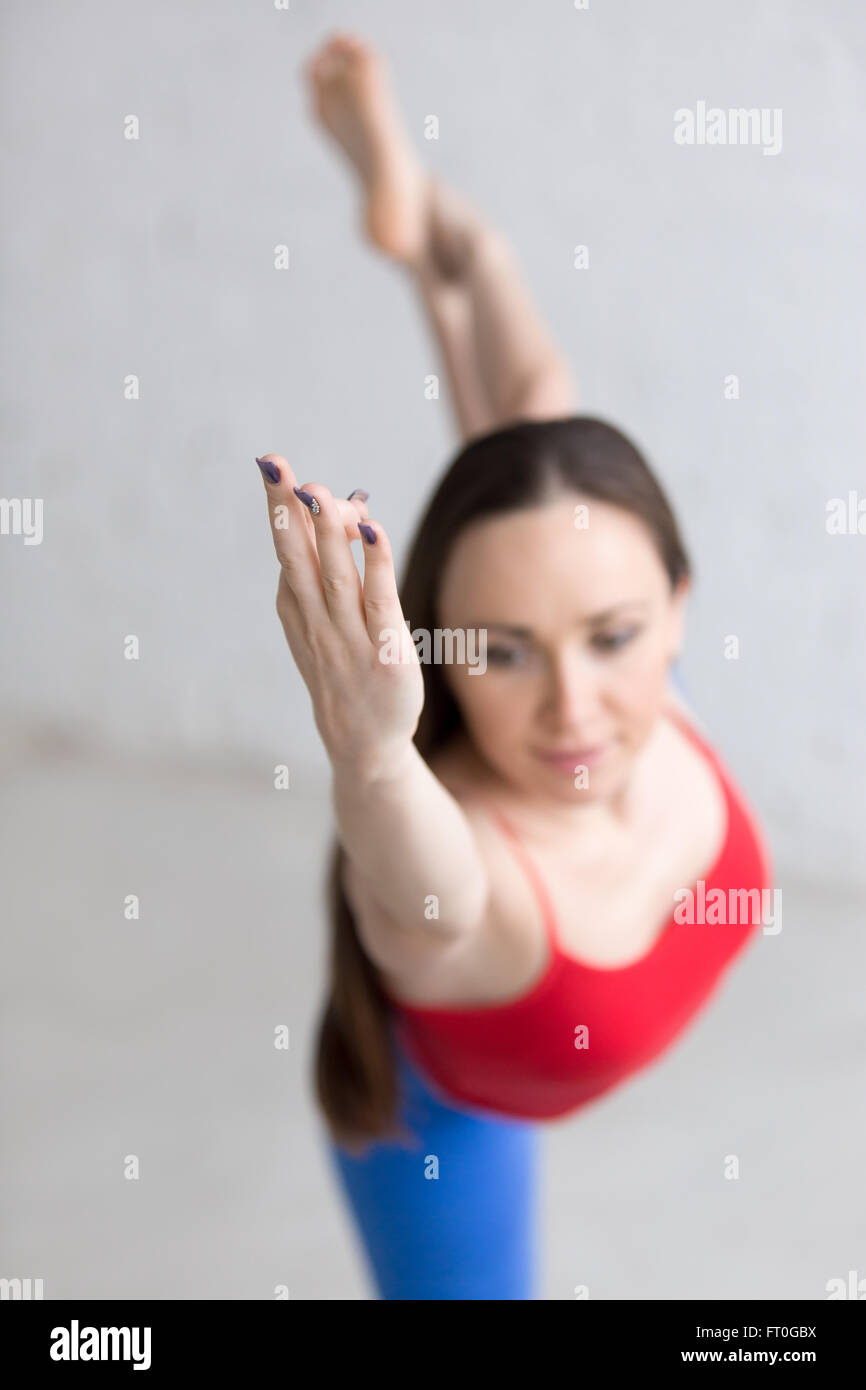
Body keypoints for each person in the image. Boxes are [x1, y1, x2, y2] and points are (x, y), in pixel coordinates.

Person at [253, 33, 773, 1300]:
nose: (574, 711)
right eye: (494, 653)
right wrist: (373, 747)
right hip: (441, 1129)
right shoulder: (459, 882)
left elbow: (533, 408)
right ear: (436, 659)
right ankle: (433, 238)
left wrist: (430, 219)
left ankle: (430, 228)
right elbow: (410, 860)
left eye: (614, 634)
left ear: (677, 606)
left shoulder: (645, 694)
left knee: (534, 422)